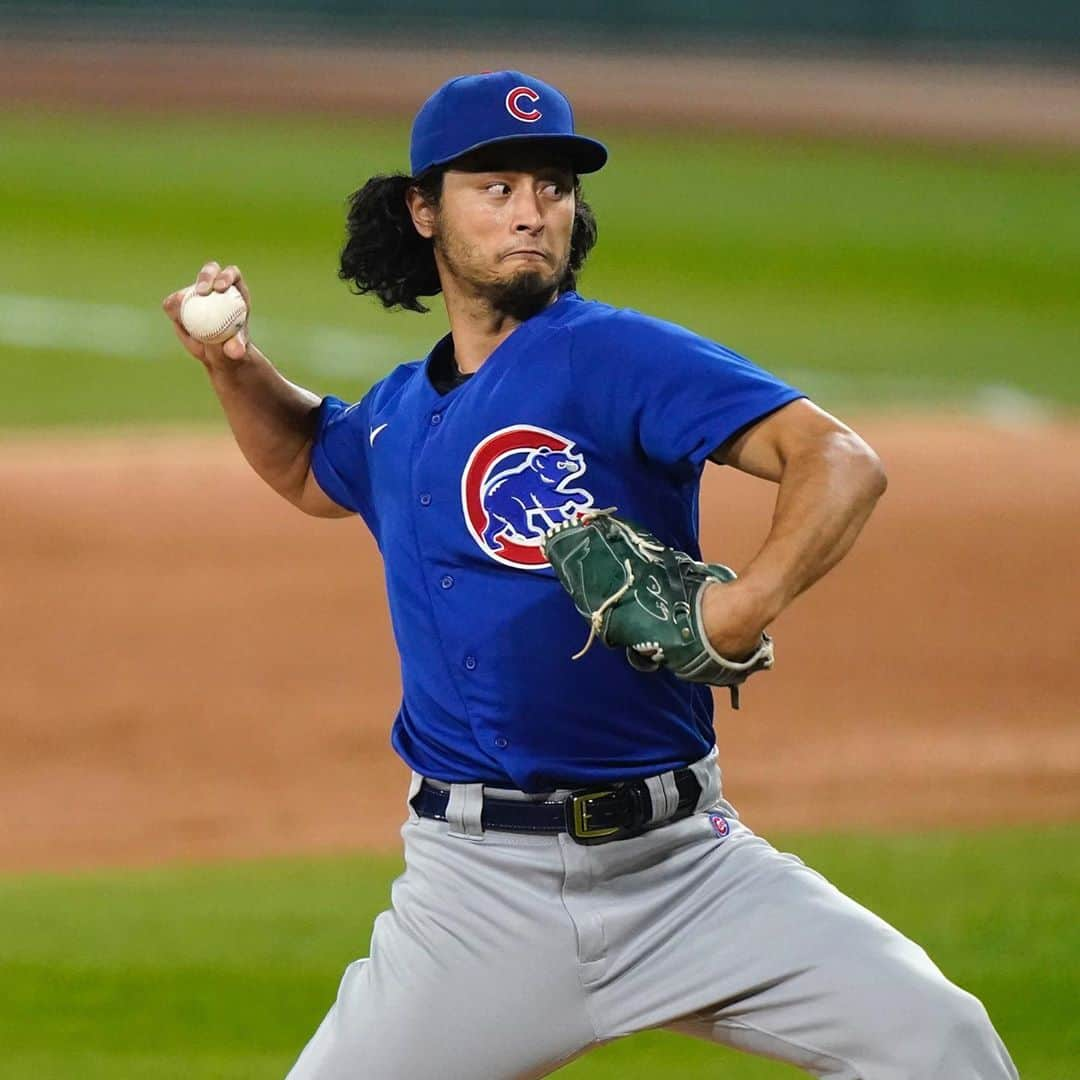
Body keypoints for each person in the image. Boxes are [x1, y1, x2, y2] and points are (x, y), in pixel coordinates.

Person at [162, 71, 1017, 1080]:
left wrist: (744, 605)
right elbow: (313, 461)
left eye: (555, 187)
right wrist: (234, 366)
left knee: (944, 1045)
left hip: (688, 871)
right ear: (423, 208)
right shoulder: (400, 413)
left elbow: (839, 461)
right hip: (478, 897)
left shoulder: (611, 353)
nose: (534, 211)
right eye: (498, 186)